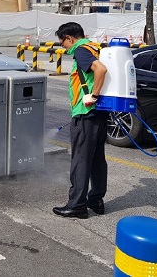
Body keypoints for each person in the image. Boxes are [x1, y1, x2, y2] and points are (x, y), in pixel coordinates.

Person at [53, 22, 109, 219]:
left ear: (70, 38)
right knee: (97, 159)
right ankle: (96, 200)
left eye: (63, 43)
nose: (63, 47)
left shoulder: (81, 50)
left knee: (81, 160)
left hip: (86, 113)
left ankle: (77, 205)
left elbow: (100, 70)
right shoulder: (95, 47)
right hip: (100, 113)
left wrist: (93, 95)